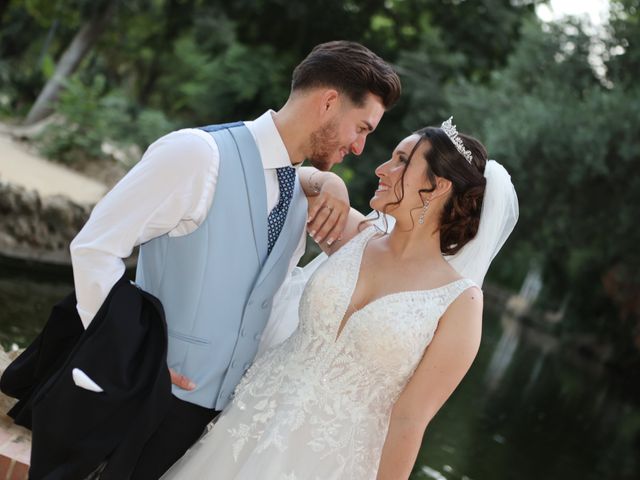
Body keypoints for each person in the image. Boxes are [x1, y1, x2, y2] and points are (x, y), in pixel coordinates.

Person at [69, 41, 401, 479]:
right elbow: (95, 248)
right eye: (362, 128)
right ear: (328, 103)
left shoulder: (303, 194)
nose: (359, 147)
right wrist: (130, 356)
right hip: (141, 398)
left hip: (214, 424)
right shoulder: (197, 154)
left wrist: (325, 182)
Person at [160, 117, 519, 479]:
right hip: (248, 423)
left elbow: (410, 420)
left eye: (401, 160)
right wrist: (326, 180)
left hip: (332, 461)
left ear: (437, 186)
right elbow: (275, 180)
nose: (382, 169)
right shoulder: (354, 235)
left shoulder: (459, 303)